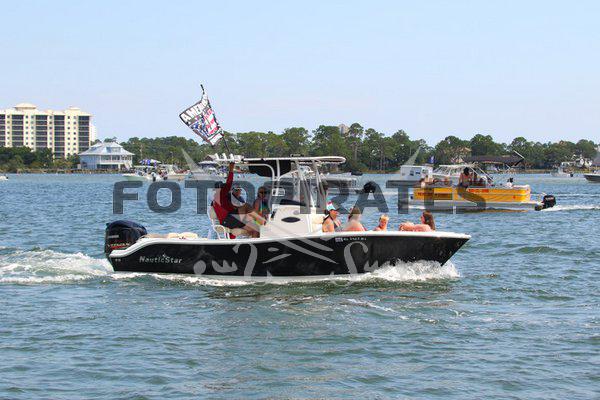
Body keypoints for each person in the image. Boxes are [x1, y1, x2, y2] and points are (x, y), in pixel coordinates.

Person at [212, 162, 264, 238]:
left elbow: (230, 209)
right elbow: (229, 182)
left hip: (228, 220)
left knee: (255, 228)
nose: (227, 189)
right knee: (246, 208)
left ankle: (255, 239)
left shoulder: (218, 199)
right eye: (224, 188)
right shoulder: (220, 194)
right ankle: (262, 221)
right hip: (228, 220)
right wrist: (231, 170)